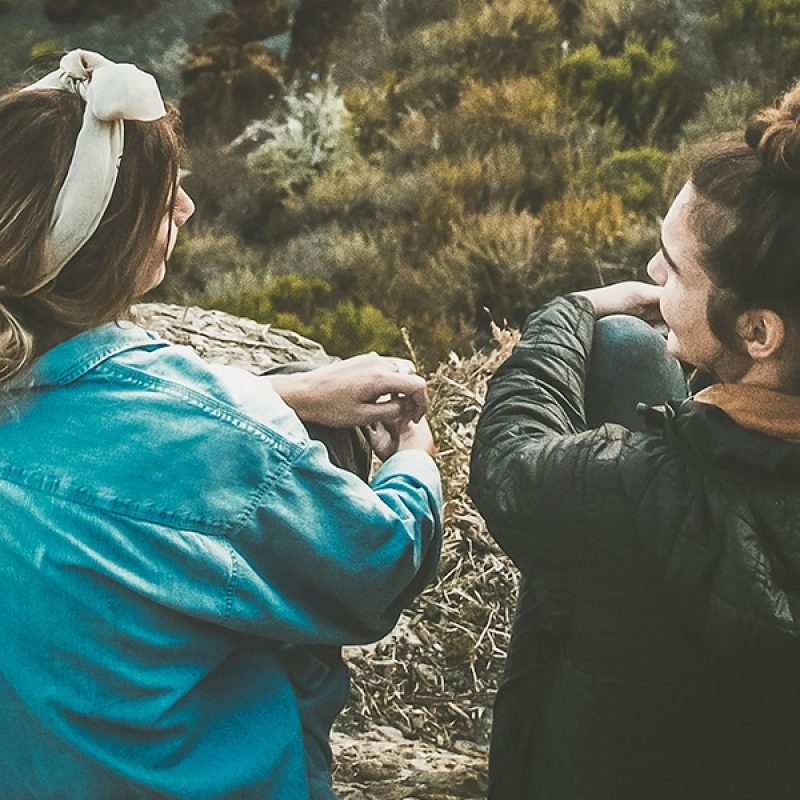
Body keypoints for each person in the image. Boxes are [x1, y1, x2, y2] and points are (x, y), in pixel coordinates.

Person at [0, 50, 443, 799]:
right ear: (105, 244)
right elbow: (375, 567)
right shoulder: (214, 438)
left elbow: (88, 426)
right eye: (160, 196)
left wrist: (294, 393)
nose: (185, 209)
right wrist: (414, 457)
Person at [469, 80, 800, 799]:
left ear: (757, 330)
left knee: (616, 340)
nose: (653, 273)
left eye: (673, 266)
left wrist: (567, 313)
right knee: (631, 350)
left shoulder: (643, 487)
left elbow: (506, 461)